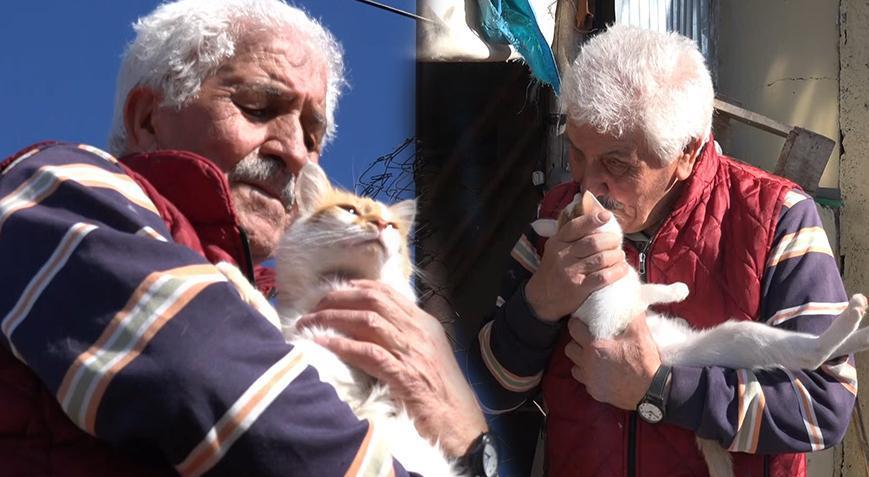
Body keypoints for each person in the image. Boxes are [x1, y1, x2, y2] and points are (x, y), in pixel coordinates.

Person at [0, 1, 491, 475]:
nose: (296, 154)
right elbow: (207, 376)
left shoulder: (289, 303)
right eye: (258, 107)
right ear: (148, 119)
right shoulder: (56, 189)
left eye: (314, 137)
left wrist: (473, 447)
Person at [469, 25, 856, 476]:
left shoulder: (778, 218)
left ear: (687, 151)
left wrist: (659, 389)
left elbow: (824, 406)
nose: (589, 186)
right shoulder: (556, 218)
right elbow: (490, 391)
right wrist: (541, 300)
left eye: (616, 163)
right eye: (575, 153)